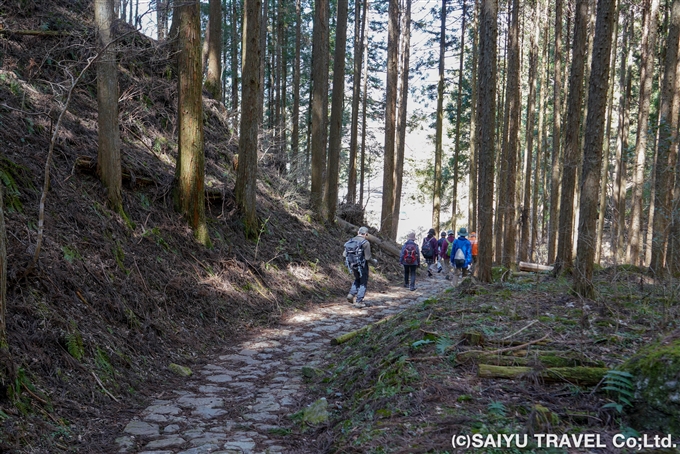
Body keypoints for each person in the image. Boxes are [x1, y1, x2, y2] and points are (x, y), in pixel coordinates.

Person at [344, 226, 378, 308]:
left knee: (357, 279)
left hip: (352, 265)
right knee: (363, 282)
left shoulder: (350, 241)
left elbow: (344, 254)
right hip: (362, 266)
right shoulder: (365, 243)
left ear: (358, 232)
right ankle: (359, 301)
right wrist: (374, 262)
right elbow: (367, 258)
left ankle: (351, 294)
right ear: (366, 234)